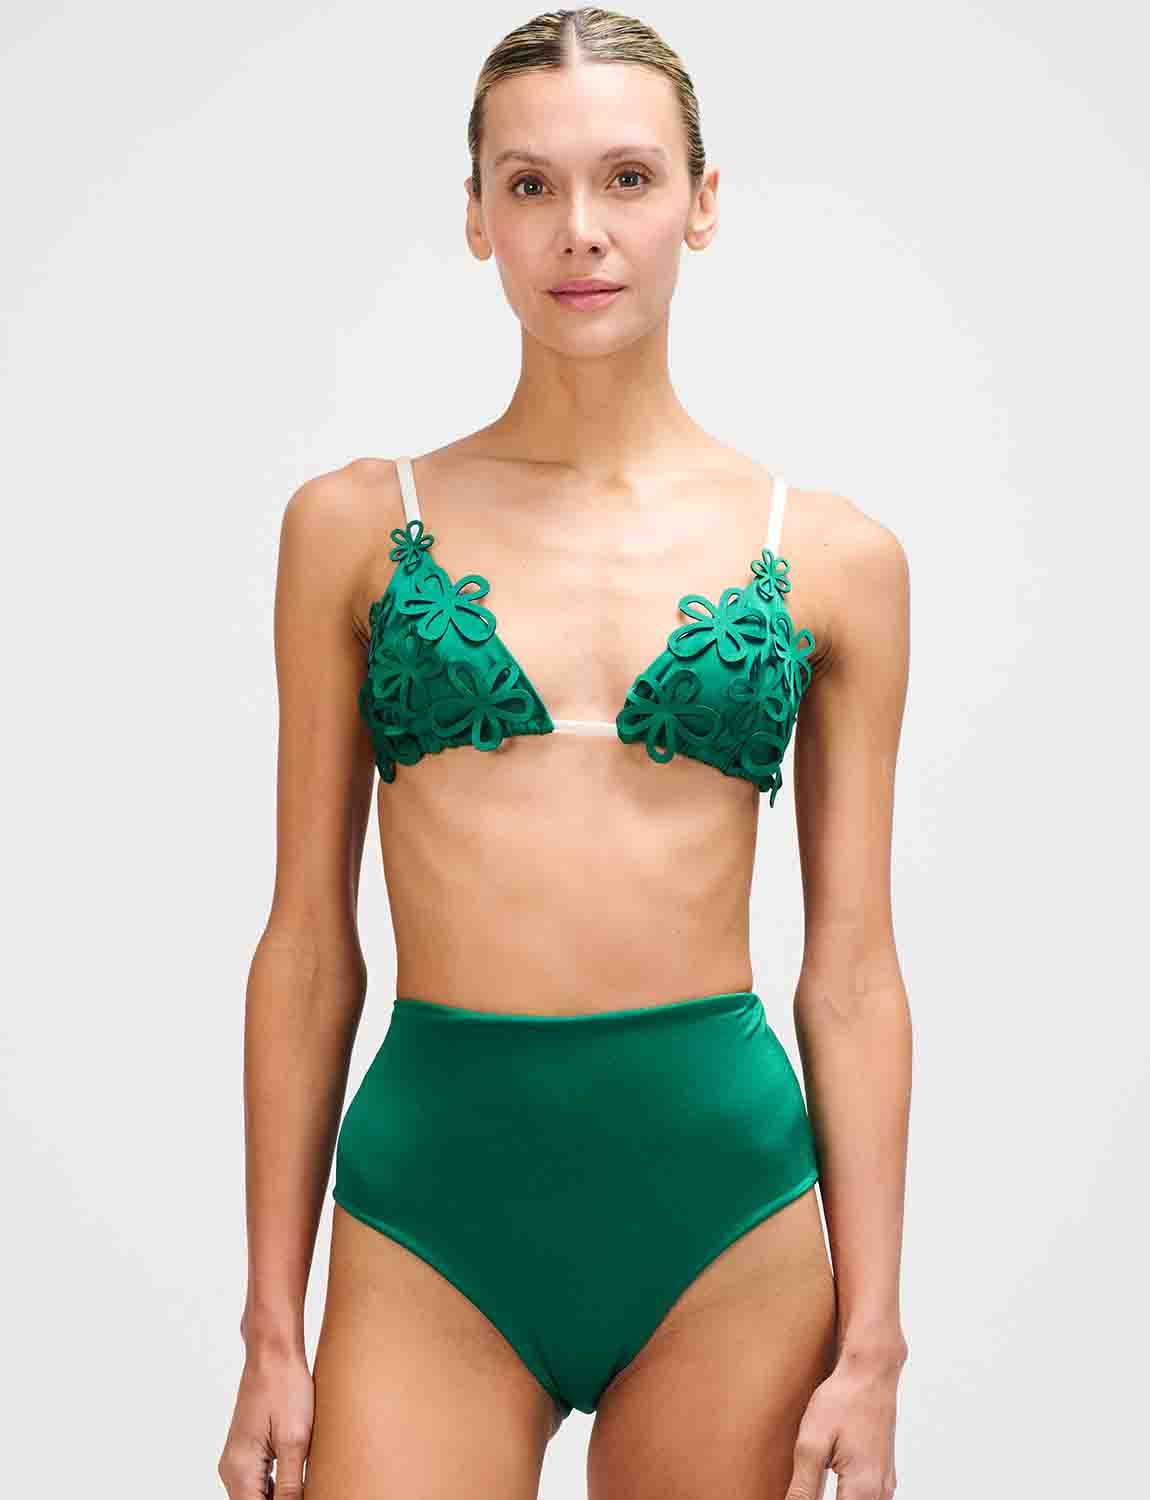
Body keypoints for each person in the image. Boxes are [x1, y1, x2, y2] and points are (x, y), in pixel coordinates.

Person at [218, 8, 912, 1499]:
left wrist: (874, 1344)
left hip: (727, 1223)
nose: (579, 229)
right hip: (430, 1218)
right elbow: (307, 946)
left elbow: (852, 970)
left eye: (628, 178)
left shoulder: (834, 556)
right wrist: (271, 1326)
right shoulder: (352, 527)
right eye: (529, 184)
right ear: (476, 215)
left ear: (701, 203)